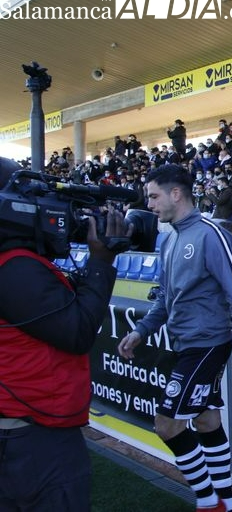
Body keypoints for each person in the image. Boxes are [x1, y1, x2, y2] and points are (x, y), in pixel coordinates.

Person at [117, 164, 232, 512]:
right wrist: (140, 331)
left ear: (175, 194)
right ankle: (226, 501)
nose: (149, 204)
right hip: (187, 343)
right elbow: (165, 298)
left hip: (208, 343)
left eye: (153, 196)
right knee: (206, 419)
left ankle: (208, 502)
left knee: (166, 424)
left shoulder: (211, 234)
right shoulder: (169, 239)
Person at [0, 159, 128, 511]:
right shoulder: (14, 267)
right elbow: (77, 332)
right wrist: (101, 262)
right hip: (34, 438)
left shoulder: (16, 263)